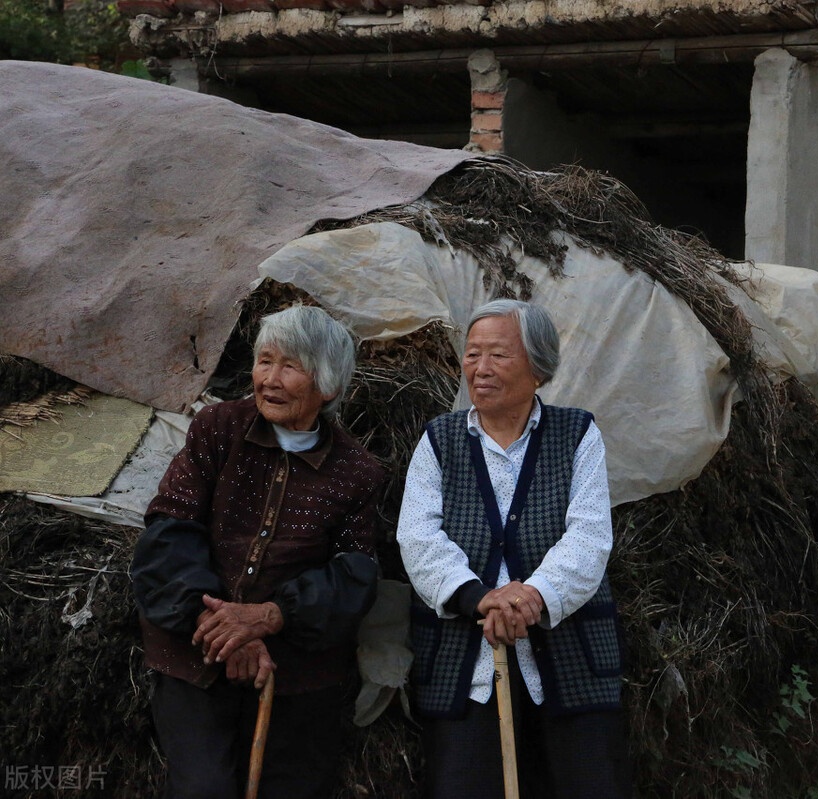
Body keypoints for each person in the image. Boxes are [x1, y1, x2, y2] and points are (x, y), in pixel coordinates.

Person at [131, 304, 386, 799]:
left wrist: (271, 616)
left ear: (328, 386)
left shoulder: (357, 472)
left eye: (290, 366)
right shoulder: (218, 428)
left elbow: (354, 576)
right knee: (203, 789)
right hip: (194, 651)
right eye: (264, 360)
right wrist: (226, 633)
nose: (270, 378)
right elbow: (169, 532)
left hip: (294, 670)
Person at [397, 299, 630, 799]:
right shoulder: (440, 440)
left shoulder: (577, 434)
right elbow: (418, 536)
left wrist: (531, 597)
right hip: (468, 661)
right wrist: (481, 598)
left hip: (569, 659)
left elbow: (589, 536)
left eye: (498, 356)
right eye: (472, 354)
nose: (480, 369)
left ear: (538, 370)